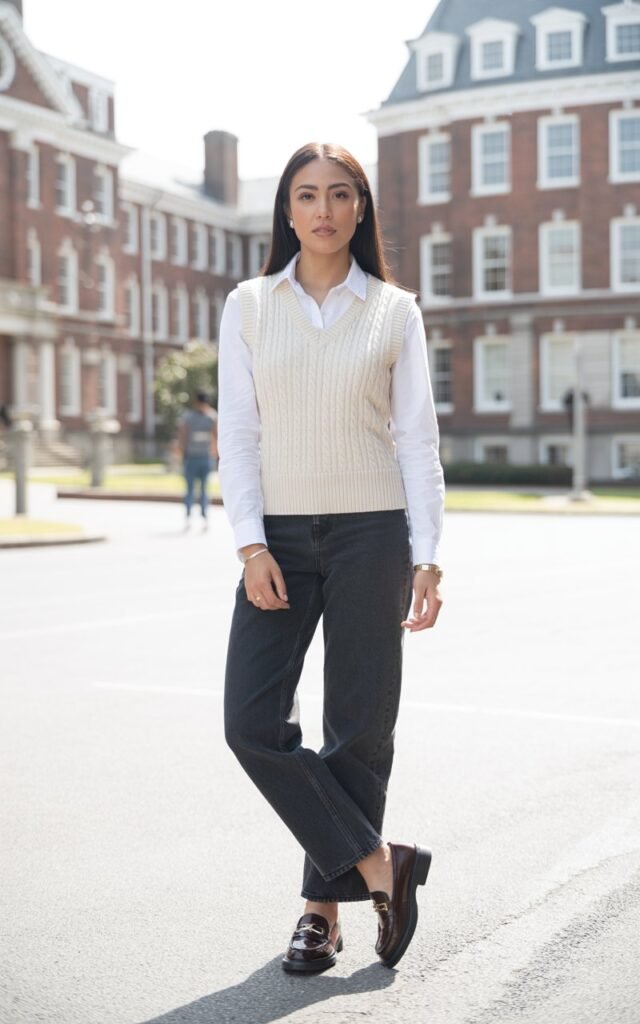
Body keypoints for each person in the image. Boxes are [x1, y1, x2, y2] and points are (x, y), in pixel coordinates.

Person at [218, 142, 444, 973]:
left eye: (340, 194)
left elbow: (417, 441)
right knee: (250, 723)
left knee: (358, 729)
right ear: (286, 210)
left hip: (372, 532)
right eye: (307, 195)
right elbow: (238, 434)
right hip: (277, 536)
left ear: (360, 208)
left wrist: (428, 557)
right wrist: (249, 542)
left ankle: (321, 911)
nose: (323, 210)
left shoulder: (394, 310)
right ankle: (382, 866)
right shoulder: (248, 304)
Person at [177, 390, 218, 530]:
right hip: (192, 458)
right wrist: (182, 453)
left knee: (204, 489)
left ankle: (204, 517)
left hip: (205, 458)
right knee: (189, 489)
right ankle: (188, 516)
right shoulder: (189, 417)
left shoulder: (211, 417)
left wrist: (215, 455)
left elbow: (215, 437)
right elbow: (183, 436)